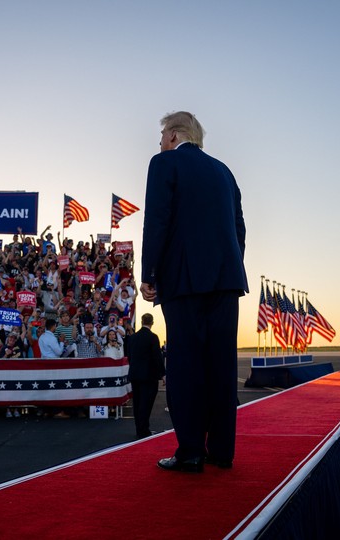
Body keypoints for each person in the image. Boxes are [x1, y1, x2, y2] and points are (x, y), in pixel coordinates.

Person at [141, 111, 247, 472]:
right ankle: (221, 451)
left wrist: (150, 273)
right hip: (225, 279)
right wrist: (228, 268)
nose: (158, 143)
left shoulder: (164, 163)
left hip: (183, 279)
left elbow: (157, 219)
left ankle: (190, 452)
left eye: (160, 136)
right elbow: (239, 228)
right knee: (220, 365)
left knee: (186, 366)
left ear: (173, 134)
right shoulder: (224, 172)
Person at [125, 313, 165, 439]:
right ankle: (144, 429)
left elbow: (129, 356)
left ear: (142, 322)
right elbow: (157, 357)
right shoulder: (153, 337)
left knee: (137, 403)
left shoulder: (133, 338)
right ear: (152, 323)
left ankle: (139, 429)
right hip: (148, 376)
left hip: (135, 374)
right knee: (146, 403)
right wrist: (163, 374)